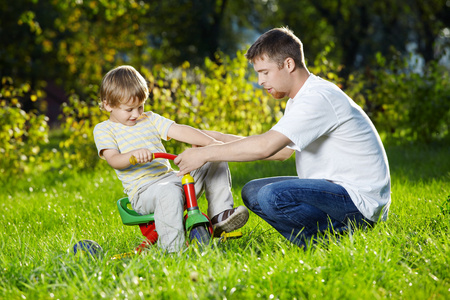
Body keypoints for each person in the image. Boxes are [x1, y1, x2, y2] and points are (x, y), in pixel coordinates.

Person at [174, 27, 391, 248]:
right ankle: (322, 239)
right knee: (253, 192)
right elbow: (282, 151)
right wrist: (216, 138)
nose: (260, 81)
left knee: (271, 196)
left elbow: (265, 147)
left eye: (265, 72)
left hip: (358, 203)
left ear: (288, 64)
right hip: (336, 194)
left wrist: (204, 154)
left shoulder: (317, 98)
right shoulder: (299, 99)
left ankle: (323, 242)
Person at [93, 65, 249, 253]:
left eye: (140, 107)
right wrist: (132, 156)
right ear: (108, 104)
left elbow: (180, 130)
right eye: (129, 109)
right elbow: (114, 159)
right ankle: (173, 251)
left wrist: (213, 144)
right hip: (144, 192)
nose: (136, 114)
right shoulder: (104, 129)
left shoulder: (149, 119)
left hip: (171, 179)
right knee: (169, 192)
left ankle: (219, 216)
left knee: (213, 156)